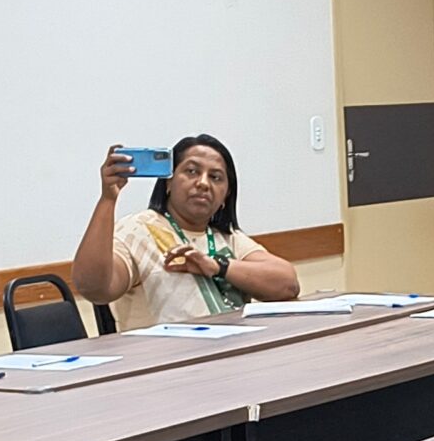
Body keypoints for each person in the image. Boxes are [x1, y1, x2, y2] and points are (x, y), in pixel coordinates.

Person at [73, 135, 301, 328]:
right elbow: (95, 289)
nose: (203, 183)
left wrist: (218, 267)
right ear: (168, 183)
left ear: (225, 196)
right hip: (161, 367)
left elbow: (287, 284)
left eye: (215, 177)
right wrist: (108, 198)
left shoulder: (226, 238)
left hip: (230, 360)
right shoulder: (139, 230)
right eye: (192, 171)